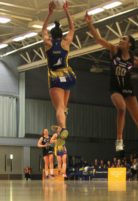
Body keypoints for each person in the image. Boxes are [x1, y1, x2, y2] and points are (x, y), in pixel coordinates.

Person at [85, 13, 138, 157]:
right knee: (122, 109)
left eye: (124, 39)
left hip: (128, 90)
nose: (120, 40)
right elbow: (98, 38)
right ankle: (119, 140)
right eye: (121, 38)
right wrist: (89, 23)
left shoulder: (135, 60)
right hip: (115, 89)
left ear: (129, 44)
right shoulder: (114, 50)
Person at [42, 2, 76, 139]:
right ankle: (62, 128)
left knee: (59, 108)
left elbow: (43, 30)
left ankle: (63, 128)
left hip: (55, 77)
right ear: (62, 35)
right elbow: (72, 28)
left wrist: (49, 13)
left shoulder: (48, 43)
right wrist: (66, 11)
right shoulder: (66, 42)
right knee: (64, 107)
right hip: (68, 76)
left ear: (51, 36)